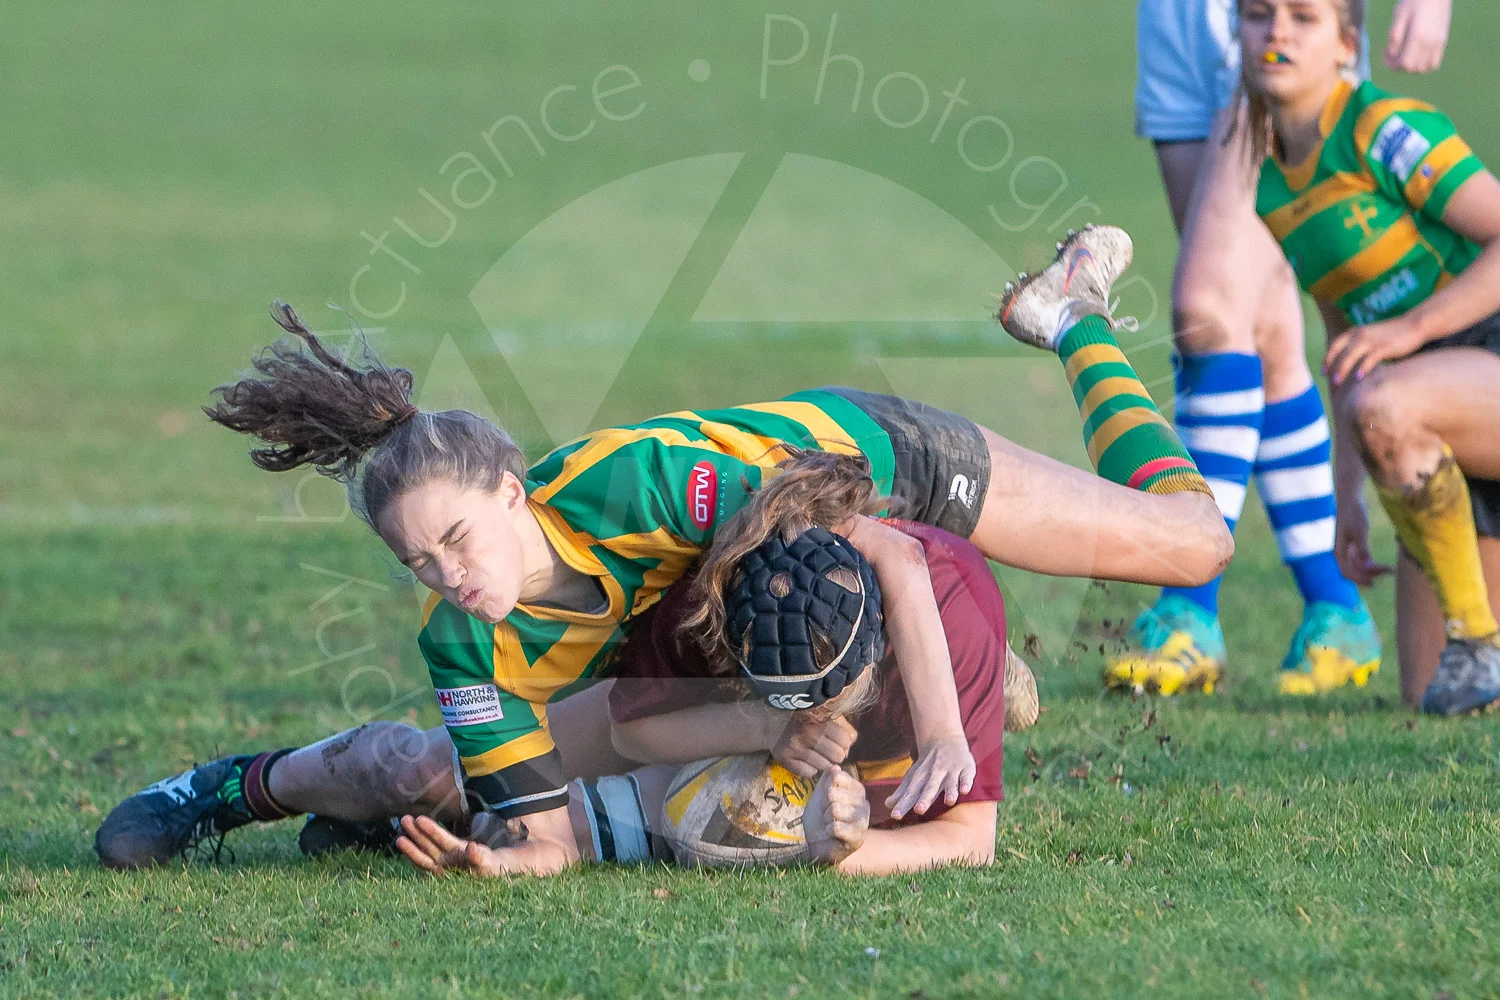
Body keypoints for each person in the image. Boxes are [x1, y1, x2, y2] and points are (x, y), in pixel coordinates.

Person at [95, 225, 1230, 871]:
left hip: (870, 470)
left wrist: (937, 727)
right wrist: (507, 857)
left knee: (1193, 547)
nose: (449, 575)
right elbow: (541, 830)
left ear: (512, 487)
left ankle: (1068, 315)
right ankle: (226, 790)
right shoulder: (466, 640)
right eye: (419, 563)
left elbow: (880, 556)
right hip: (703, 618)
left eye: (456, 537)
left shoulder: (645, 485)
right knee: (428, 773)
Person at [1119, 0, 1453, 697]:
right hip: (1175, 22)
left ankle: (1190, 599)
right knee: (1252, 326)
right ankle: (1334, 606)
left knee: (1204, 306)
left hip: (1274, 17)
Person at [402, 522, 1008, 876]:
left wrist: (850, 850)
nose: (812, 714)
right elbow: (629, 730)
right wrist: (766, 725)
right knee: (425, 772)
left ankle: (455, 830)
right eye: (790, 693)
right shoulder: (717, 595)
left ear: (877, 643)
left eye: (828, 693)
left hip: (865, 738)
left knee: (661, 816)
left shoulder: (956, 626)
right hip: (719, 712)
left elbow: (972, 836)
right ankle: (304, 777)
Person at [1206, 0, 1500, 714]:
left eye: (1302, 18)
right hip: (1425, 420)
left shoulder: (1383, 129)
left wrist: (1412, 329)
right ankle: (1475, 643)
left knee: (1388, 402)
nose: (1275, 31)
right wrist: (1347, 498)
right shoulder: (1273, 181)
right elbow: (1345, 339)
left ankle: (1476, 638)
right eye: (1256, 15)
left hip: (1470, 368)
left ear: (1346, 45)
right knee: (1428, 700)